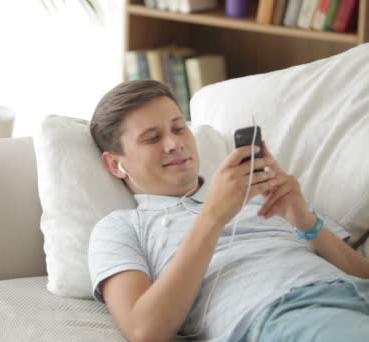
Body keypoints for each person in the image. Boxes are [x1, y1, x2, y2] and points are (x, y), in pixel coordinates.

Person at [87, 80, 369, 342]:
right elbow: (144, 330)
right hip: (284, 312)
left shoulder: (261, 192)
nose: (174, 144)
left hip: (354, 292)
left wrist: (305, 221)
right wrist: (214, 215)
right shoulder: (120, 228)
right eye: (151, 138)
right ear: (115, 164)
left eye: (178, 128)